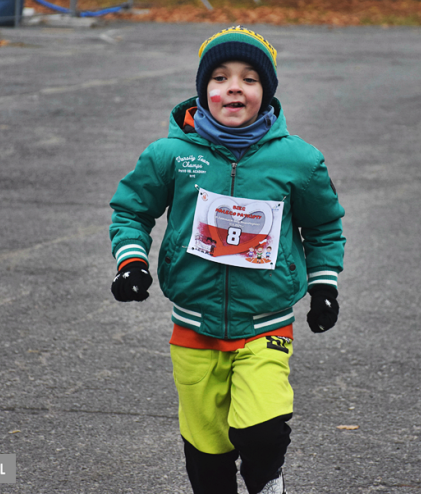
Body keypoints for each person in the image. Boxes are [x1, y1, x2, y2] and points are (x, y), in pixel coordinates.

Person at [109, 25, 345, 494]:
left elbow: (322, 226)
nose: (233, 86)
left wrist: (324, 286)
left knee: (261, 430)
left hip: (265, 321)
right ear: (203, 92)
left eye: (249, 79)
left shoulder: (299, 160)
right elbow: (131, 210)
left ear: (267, 94)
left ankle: (267, 480)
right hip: (193, 326)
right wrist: (131, 261)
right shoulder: (170, 156)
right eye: (219, 77)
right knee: (207, 449)